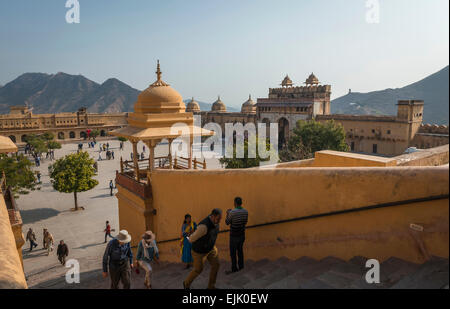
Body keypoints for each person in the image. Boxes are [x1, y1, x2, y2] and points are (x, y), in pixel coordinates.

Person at [183, 208, 222, 289]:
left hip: (210, 249)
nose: (219, 221)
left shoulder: (216, 223)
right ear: (213, 216)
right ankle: (186, 283)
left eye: (220, 219)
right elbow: (191, 239)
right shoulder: (203, 227)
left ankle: (211, 287)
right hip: (199, 251)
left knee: (216, 265)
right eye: (218, 219)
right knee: (198, 269)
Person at [225, 197, 249, 274]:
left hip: (233, 236)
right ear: (241, 203)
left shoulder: (232, 212)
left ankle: (234, 268)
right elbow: (245, 222)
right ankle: (241, 267)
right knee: (240, 251)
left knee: (233, 253)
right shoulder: (246, 211)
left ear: (235, 203)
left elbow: (227, 222)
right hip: (242, 234)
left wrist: (228, 214)